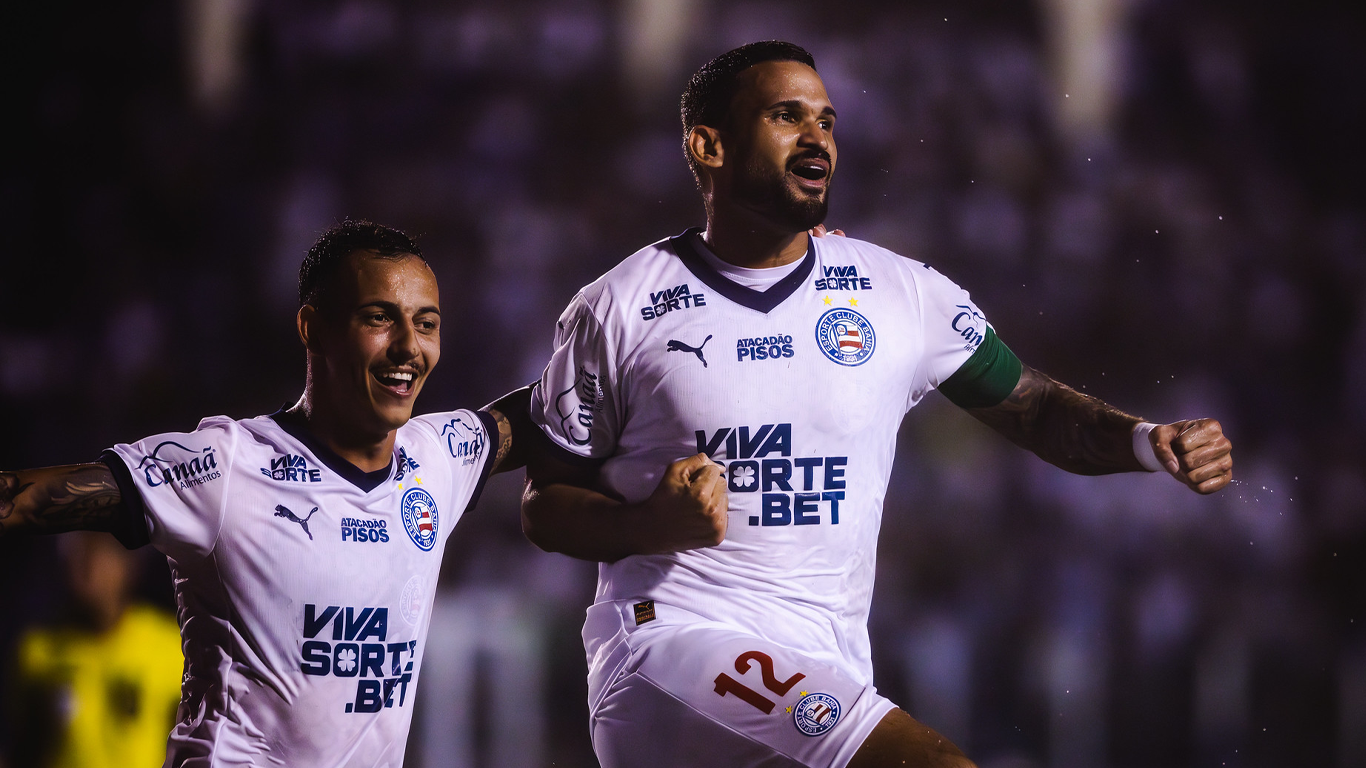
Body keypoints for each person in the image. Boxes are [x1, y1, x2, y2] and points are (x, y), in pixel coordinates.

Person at [520, 41, 1234, 768]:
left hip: (827, 661)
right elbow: (546, 504)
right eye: (786, 116)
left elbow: (1036, 409)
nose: (817, 138)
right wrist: (647, 523)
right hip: (668, 645)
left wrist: (1148, 441)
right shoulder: (619, 307)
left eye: (826, 121)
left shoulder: (899, 293)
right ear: (709, 145)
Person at [0, 219, 726, 767]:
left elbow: (542, 411)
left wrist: (748, 281)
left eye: (427, 323)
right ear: (312, 327)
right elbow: (23, 498)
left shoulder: (438, 457)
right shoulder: (227, 465)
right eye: (380, 318)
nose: (410, 346)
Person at [8, 532, 182, 768]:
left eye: (101, 554)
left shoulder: (171, 647)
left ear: (129, 566)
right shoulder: (39, 650)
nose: (87, 567)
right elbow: (19, 746)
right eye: (77, 554)